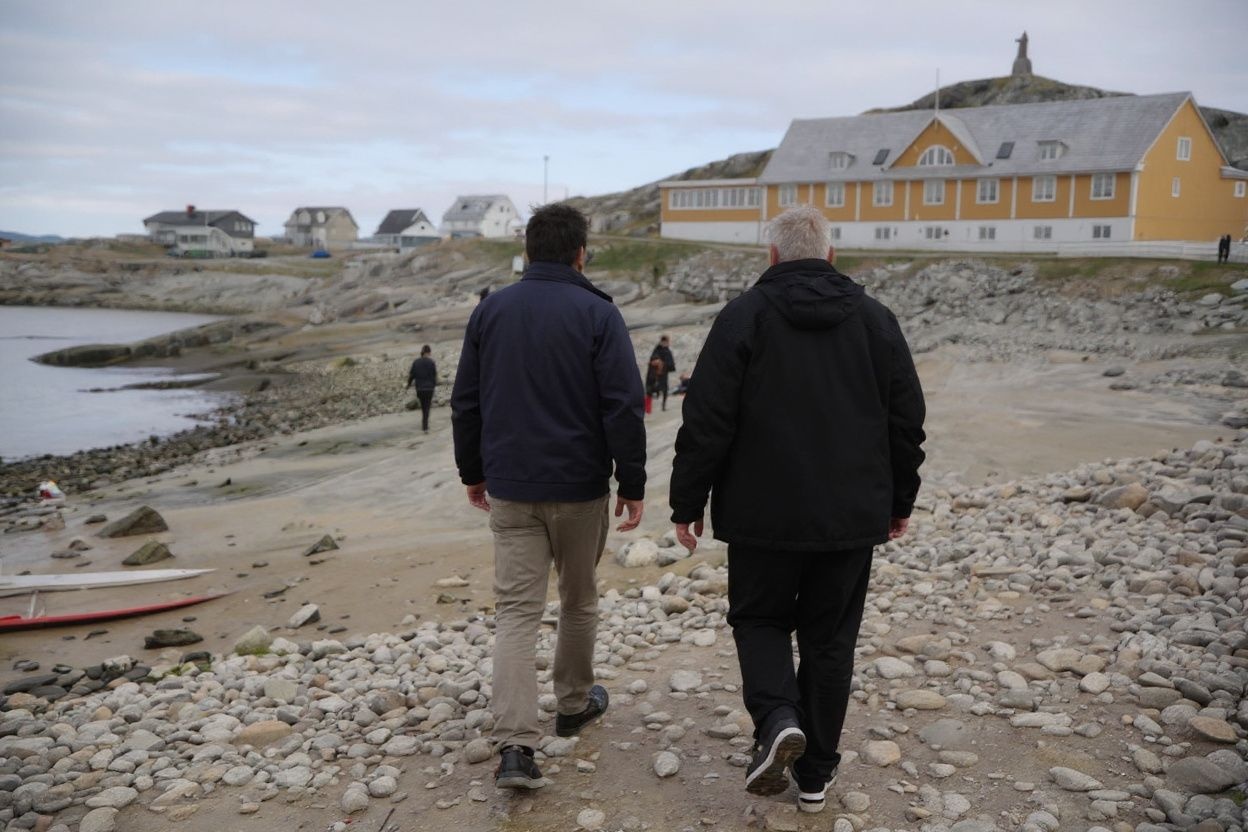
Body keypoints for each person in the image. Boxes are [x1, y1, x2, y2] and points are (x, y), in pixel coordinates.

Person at [668, 205, 926, 814]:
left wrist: (687, 503)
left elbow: (706, 419)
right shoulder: (875, 320)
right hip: (848, 516)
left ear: (774, 255)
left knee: (759, 621)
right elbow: (906, 422)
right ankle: (814, 776)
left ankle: (778, 719)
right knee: (830, 642)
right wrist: (899, 501)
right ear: (830, 254)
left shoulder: (744, 317)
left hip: (762, 515)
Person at [451, 203, 647, 790]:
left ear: (529, 251)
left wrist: (473, 471)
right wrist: (632, 482)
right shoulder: (598, 313)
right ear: (580, 253)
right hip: (580, 487)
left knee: (515, 612)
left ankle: (515, 745)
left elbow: (467, 400)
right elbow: (622, 404)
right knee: (579, 600)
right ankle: (571, 704)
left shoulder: (491, 310)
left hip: (511, 484)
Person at [406, 345, 437, 432]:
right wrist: (434, 385)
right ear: (429, 352)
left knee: (423, 406)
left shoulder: (416, 362)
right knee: (427, 407)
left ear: (422, 352)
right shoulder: (431, 362)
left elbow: (412, 376)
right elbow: (434, 376)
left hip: (419, 389)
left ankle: (424, 424)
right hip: (429, 388)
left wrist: (408, 385)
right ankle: (425, 426)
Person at [646, 335, 677, 411]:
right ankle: (648, 408)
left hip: (662, 374)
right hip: (654, 374)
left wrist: (664, 365)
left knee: (663, 390)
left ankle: (662, 406)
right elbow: (653, 359)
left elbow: (670, 364)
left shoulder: (665, 350)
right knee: (649, 390)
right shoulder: (658, 349)